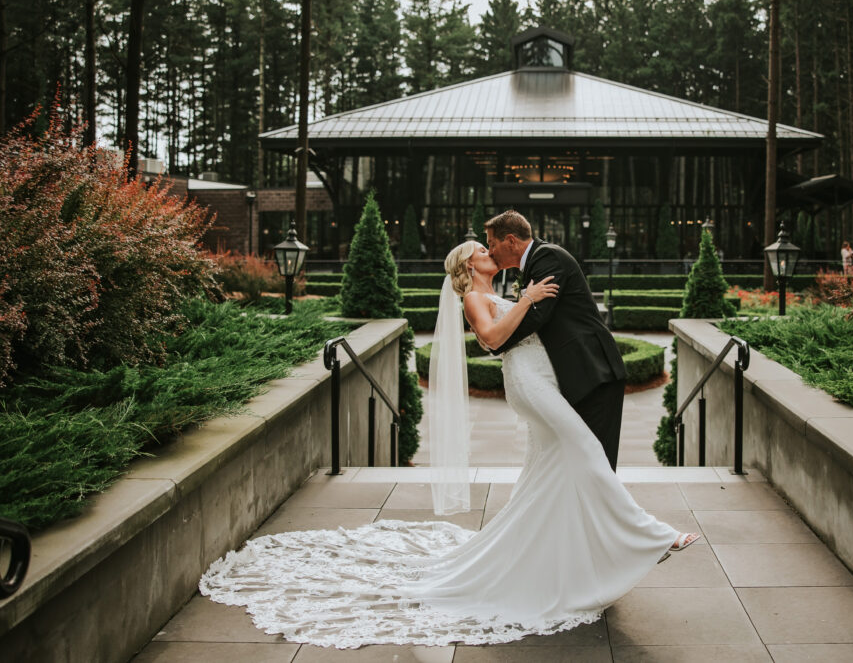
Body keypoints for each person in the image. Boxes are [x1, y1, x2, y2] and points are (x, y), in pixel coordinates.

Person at [198, 236, 700, 650]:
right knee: (586, 453)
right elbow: (493, 339)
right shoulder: (473, 298)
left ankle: (565, 554)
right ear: (469, 265)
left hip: (545, 382)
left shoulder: (497, 287)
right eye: (482, 251)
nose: (489, 254)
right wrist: (525, 301)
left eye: (487, 248)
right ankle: (651, 537)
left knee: (548, 473)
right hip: (530, 387)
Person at [485, 210, 625, 470]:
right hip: (579, 374)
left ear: (511, 241)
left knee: (598, 463)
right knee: (579, 461)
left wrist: (496, 342)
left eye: (492, 244)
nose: (490, 252)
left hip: (596, 372)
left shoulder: (547, 257)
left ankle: (603, 511)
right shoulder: (536, 262)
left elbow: (538, 316)